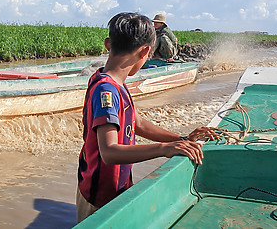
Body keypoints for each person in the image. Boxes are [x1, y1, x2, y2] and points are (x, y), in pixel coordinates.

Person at [76, 12, 217, 223]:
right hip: (97, 197)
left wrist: (180, 140)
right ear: (145, 52)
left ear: (108, 44)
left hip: (113, 188)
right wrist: (164, 149)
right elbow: (109, 152)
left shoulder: (113, 82)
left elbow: (137, 122)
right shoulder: (106, 91)